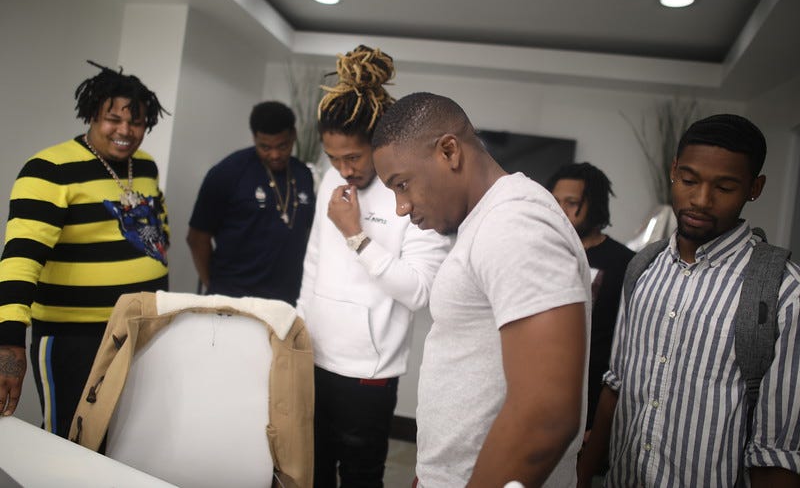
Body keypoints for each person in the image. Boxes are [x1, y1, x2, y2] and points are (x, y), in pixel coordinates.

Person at [372, 92, 591, 487]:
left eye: (402, 184)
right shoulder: (489, 221)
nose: (401, 207)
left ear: (449, 151)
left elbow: (547, 414)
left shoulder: (513, 223)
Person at [577, 114, 800, 487]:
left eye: (724, 187)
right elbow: (616, 386)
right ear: (673, 170)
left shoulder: (783, 292)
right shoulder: (643, 267)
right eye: (689, 180)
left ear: (754, 188)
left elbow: (776, 454)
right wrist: (582, 476)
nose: (700, 200)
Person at [295, 47, 451, 487]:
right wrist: (298, 328)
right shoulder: (331, 178)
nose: (344, 169)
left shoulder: (411, 190)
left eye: (354, 158)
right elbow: (313, 260)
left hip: (370, 372)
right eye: (333, 157)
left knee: (361, 478)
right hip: (314, 357)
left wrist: (356, 236)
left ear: (378, 144)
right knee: (311, 470)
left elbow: (420, 291)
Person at [0, 61, 170, 438]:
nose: (125, 131)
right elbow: (21, 258)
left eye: (136, 122)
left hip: (139, 330)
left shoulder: (145, 166)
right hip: (72, 337)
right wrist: (9, 341)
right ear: (92, 114)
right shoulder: (50, 169)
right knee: (71, 438)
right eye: (113, 119)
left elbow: (158, 233)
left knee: (124, 439)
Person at [187, 101, 314, 305]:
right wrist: (214, 287)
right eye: (265, 147)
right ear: (254, 138)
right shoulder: (227, 172)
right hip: (233, 298)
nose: (275, 155)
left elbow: (306, 232)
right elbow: (197, 239)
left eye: (282, 146)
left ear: (293, 136)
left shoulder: (303, 174)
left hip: (287, 301)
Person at [547, 162, 635, 435]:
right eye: (555, 201)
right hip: (538, 389)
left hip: (591, 401)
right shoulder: (541, 250)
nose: (560, 210)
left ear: (595, 206)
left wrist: (598, 423)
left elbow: (626, 346)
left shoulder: (624, 262)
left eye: (572, 203)